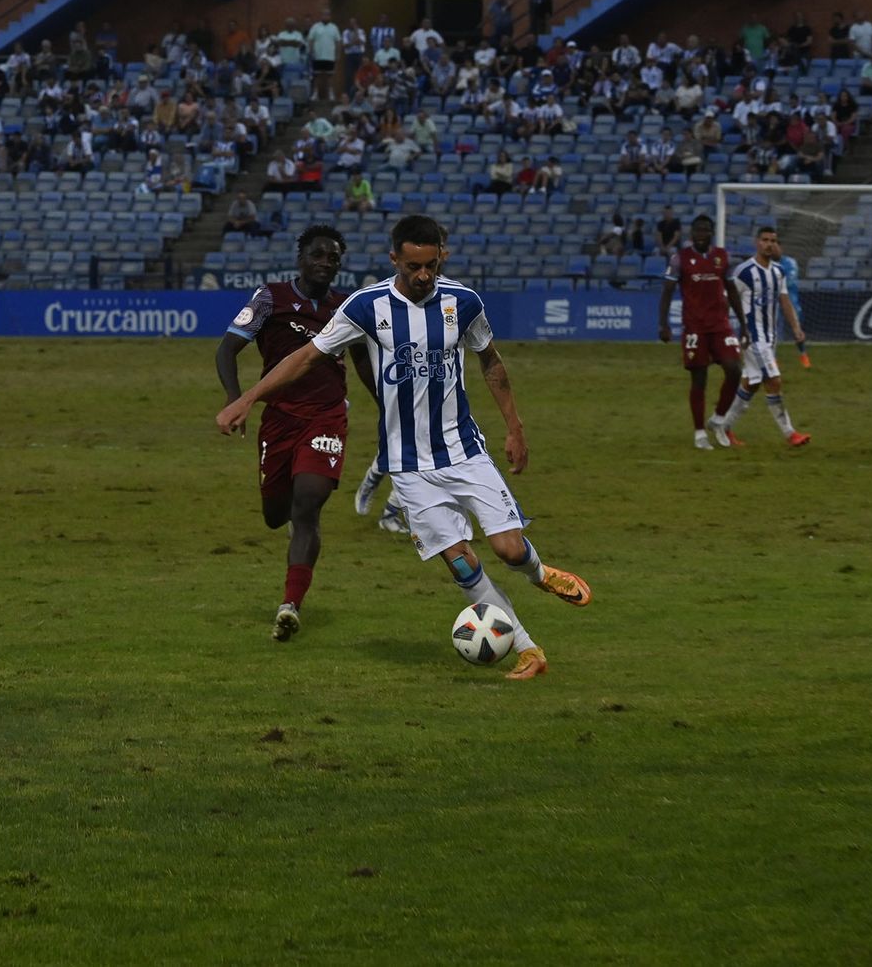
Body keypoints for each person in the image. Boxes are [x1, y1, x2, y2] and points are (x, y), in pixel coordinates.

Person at [216, 215, 593, 679]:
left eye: (431, 265)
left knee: (509, 551)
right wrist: (248, 399)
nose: (423, 275)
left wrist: (514, 427)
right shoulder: (366, 306)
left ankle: (539, 573)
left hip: (464, 451)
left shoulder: (463, 302)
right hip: (408, 467)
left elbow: (490, 361)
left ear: (443, 256)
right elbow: (307, 356)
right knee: (461, 563)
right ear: (394, 258)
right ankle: (528, 649)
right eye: (413, 265)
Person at [213, 226, 374, 640]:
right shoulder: (270, 298)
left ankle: (290, 605)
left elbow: (362, 363)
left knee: (309, 503)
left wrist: (389, 406)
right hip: (279, 419)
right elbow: (227, 348)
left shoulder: (347, 307)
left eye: (333, 258)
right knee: (275, 514)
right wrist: (236, 399)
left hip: (327, 416)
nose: (325, 263)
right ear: (301, 257)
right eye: (318, 255)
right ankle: (288, 517)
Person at [707, 227, 810, 448]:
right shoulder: (744, 272)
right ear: (757, 243)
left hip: (770, 338)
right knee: (774, 381)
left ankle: (722, 424)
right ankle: (790, 433)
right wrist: (720, 332)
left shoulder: (778, 272)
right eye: (765, 240)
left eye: (773, 240)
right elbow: (726, 301)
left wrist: (796, 327)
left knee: (751, 384)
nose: (769, 244)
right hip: (753, 338)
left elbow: (784, 301)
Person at [659, 214, 745, 451]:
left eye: (705, 230)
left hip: (720, 325)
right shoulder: (680, 259)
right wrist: (663, 324)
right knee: (699, 379)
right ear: (691, 233)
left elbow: (732, 290)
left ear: (711, 233)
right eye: (697, 230)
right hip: (695, 327)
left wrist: (743, 323)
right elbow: (667, 291)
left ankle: (717, 419)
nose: (701, 234)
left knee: (735, 369)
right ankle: (699, 433)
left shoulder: (722, 257)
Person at [775, 246, 809, 368]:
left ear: (781, 249)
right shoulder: (768, 263)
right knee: (771, 329)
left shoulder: (789, 262)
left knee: (797, 328)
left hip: (790, 299)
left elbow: (789, 281)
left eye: (776, 247)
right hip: (774, 300)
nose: (774, 250)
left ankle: (803, 354)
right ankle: (773, 358)